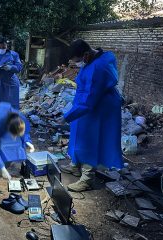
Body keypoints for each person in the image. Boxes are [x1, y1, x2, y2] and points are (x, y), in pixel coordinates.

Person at [59, 39, 123, 192]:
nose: (77, 64)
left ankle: (87, 179)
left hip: (98, 107)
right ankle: (75, 165)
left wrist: (67, 116)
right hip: (87, 103)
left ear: (86, 55)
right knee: (77, 133)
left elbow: (89, 100)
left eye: (78, 61)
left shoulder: (98, 68)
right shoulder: (98, 57)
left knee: (90, 140)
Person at [0, 102, 34, 182]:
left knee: (14, 147)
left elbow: (25, 132)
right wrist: (2, 168)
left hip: (5, 125)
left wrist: (28, 142)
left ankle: (6, 163)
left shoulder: (19, 117)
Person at [0, 37, 23, 110]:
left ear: (7, 45)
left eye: (3, 47)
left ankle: (13, 119)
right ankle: (0, 120)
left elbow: (19, 67)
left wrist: (11, 67)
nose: (1, 49)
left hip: (11, 81)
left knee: (13, 103)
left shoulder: (14, 55)